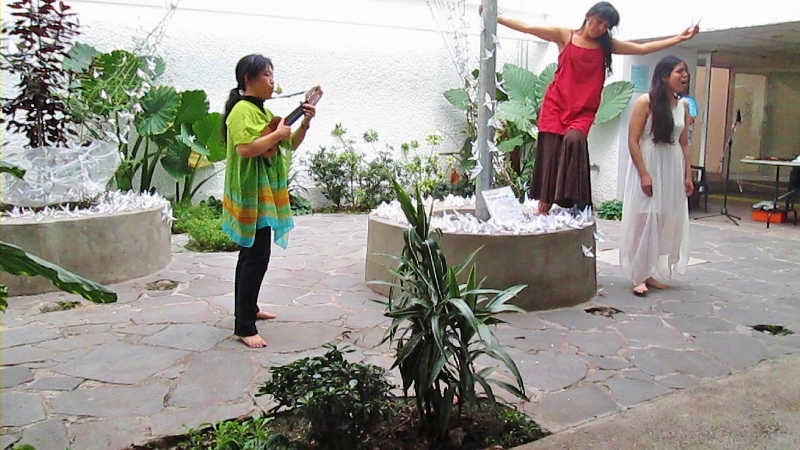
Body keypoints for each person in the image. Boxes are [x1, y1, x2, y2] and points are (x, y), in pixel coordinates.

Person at [486, 2, 699, 215]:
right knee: (550, 151)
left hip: (583, 111)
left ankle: (574, 202)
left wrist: (679, 38)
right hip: (556, 105)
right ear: (588, 16)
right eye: (598, 22)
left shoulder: (606, 46)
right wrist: (495, 17)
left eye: (605, 26)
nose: (600, 28)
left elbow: (641, 49)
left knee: (574, 140)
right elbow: (528, 28)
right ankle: (544, 206)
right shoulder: (565, 36)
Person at [221, 54, 316, 348]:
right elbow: (246, 149)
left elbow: (287, 145)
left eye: (273, 74)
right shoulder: (241, 112)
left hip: (263, 195)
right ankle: (244, 327)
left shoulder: (261, 113)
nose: (272, 81)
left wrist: (304, 125)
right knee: (254, 258)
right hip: (251, 193)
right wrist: (277, 134)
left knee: (252, 257)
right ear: (247, 80)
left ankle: (248, 310)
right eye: (266, 75)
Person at [619, 55, 693, 296]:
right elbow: (632, 140)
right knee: (643, 217)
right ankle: (637, 274)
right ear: (664, 76)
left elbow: (684, 143)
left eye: (685, 72)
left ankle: (650, 271)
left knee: (662, 217)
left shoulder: (682, 105)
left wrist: (688, 175)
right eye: (679, 71)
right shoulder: (645, 101)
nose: (684, 76)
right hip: (649, 162)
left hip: (672, 164)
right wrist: (643, 174)